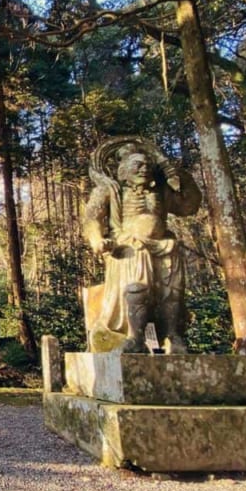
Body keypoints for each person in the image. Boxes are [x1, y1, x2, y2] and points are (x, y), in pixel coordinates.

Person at [83, 137, 201, 353]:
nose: (144, 169)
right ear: (123, 170)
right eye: (137, 165)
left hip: (164, 246)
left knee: (173, 293)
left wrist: (180, 175)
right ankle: (135, 338)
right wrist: (97, 239)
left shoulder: (161, 191)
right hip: (129, 247)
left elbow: (189, 206)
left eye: (147, 164)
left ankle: (173, 336)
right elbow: (92, 218)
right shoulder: (110, 190)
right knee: (137, 290)